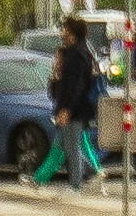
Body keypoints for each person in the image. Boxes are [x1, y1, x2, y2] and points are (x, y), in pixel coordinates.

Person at [37, 18, 107, 187]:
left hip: (76, 109)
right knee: (66, 146)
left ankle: (76, 185)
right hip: (69, 107)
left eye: (65, 30)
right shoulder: (71, 53)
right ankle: (94, 172)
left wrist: (66, 109)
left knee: (72, 148)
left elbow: (77, 86)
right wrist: (55, 75)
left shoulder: (79, 55)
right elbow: (57, 89)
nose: (63, 33)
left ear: (73, 34)